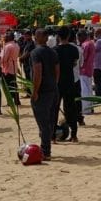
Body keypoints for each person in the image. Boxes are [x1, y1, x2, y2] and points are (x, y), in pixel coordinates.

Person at [31, 28, 60, 160]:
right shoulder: (53, 52)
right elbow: (57, 71)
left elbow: (38, 72)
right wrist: (54, 85)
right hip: (53, 89)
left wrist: (35, 91)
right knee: (49, 120)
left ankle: (45, 150)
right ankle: (46, 145)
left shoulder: (36, 52)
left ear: (38, 37)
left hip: (43, 91)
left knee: (43, 122)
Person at [54, 26, 80, 141]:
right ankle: (74, 135)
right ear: (69, 36)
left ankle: (53, 136)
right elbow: (74, 64)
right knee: (71, 108)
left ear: (58, 36)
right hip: (70, 81)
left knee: (54, 109)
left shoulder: (54, 50)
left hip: (58, 82)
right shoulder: (74, 49)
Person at [0, 32, 21, 106]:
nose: (4, 38)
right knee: (14, 84)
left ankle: (10, 101)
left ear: (9, 38)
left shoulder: (8, 46)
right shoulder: (16, 45)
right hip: (14, 66)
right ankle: (16, 100)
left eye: (5, 37)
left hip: (7, 68)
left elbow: (3, 58)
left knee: (7, 86)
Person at [78, 30, 95, 118]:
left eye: (79, 37)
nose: (78, 39)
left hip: (83, 69)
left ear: (82, 36)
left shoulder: (85, 45)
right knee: (89, 89)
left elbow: (83, 58)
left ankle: (86, 109)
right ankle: (91, 107)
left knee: (84, 90)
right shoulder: (91, 43)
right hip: (90, 69)